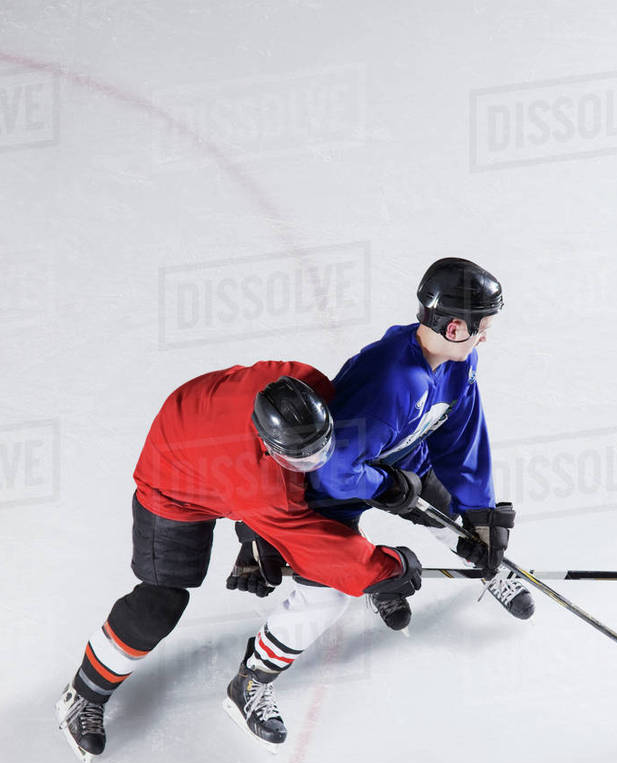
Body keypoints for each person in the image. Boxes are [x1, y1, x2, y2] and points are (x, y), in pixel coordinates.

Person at [55, 364, 421, 763]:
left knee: (310, 512)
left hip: (204, 432)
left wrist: (254, 534)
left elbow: (274, 485)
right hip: (174, 481)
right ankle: (84, 692)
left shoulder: (303, 381)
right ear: (268, 445)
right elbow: (326, 552)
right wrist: (389, 568)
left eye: (323, 446)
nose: (317, 462)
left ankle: (250, 680)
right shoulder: (263, 487)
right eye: (301, 459)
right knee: (160, 602)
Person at [218, 258, 532, 693]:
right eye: (483, 327)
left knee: (449, 516)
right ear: (456, 328)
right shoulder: (388, 384)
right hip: (332, 492)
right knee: (332, 585)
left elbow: (461, 437)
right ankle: (256, 677)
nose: (486, 336)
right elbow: (333, 474)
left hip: (399, 460)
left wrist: (478, 509)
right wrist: (386, 490)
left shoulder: (460, 363)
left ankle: (486, 565)